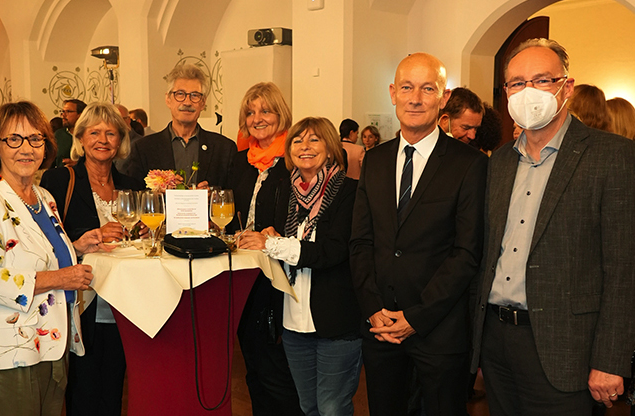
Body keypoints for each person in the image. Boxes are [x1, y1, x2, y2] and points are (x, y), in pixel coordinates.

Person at [471, 38, 635, 416]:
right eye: (516, 83)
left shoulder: (612, 156)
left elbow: (623, 270)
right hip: (497, 341)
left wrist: (610, 360)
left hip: (568, 348)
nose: (528, 92)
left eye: (542, 80)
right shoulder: (499, 163)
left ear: (567, 88)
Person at [350, 52, 487, 416]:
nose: (415, 98)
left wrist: (416, 318)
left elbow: (466, 252)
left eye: (428, 89)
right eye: (407, 87)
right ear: (393, 93)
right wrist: (372, 308)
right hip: (380, 329)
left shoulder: (469, 164)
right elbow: (361, 241)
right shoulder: (374, 160)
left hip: (438, 333)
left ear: (443, 99)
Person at [0, 100, 106, 415]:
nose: (26, 148)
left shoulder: (44, 197)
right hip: (8, 348)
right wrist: (60, 278)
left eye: (35, 139)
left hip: (52, 341)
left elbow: (31, 252)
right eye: (14, 139)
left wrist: (77, 246)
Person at [241, 117, 363, 416]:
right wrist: (272, 236)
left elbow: (331, 251)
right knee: (307, 407)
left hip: (337, 320)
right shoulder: (286, 193)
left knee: (333, 407)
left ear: (331, 148)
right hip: (294, 320)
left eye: (314, 140)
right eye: (297, 141)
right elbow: (282, 239)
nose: (304, 147)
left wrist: (272, 244)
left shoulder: (351, 192)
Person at [41, 102, 145, 416]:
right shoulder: (59, 181)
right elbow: (46, 245)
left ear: (121, 141)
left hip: (122, 304)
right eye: (95, 132)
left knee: (114, 385)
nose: (103, 139)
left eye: (111, 133)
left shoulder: (132, 187)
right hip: (80, 302)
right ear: (81, 137)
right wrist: (85, 240)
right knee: (82, 389)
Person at [225, 82, 302, 416]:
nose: (257, 118)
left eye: (265, 110)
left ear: (280, 113)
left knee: (277, 371)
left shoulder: (295, 159)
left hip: (281, 276)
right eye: (250, 112)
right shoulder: (240, 162)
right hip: (244, 276)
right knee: (254, 369)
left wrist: (275, 234)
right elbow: (227, 211)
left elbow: (308, 214)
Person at [123, 63, 236, 189]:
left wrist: (214, 195)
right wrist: (157, 196)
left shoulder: (224, 149)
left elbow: (233, 195)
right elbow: (134, 196)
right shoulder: (144, 149)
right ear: (168, 99)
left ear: (203, 103)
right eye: (180, 94)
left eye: (195, 95)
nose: (187, 102)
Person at [56, 99, 86, 168]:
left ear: (80, 115)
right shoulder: (58, 135)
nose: (63, 115)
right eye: (63, 111)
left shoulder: (89, 136)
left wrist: (78, 165)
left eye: (68, 111)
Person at [113, 104, 143, 171]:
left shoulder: (139, 144)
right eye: (112, 119)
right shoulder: (108, 143)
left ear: (128, 120)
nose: (115, 123)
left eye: (119, 119)